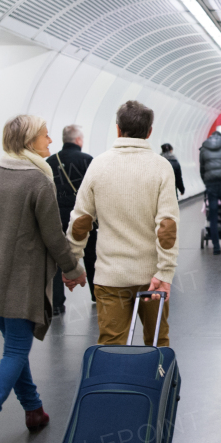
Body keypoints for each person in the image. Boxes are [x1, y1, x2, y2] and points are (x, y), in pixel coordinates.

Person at [0, 115, 85, 443]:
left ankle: (34, 411)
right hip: (22, 283)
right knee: (15, 351)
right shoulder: (39, 181)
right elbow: (53, 235)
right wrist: (72, 269)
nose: (50, 142)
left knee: (15, 348)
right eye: (44, 136)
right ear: (28, 142)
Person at [68, 100, 179, 346]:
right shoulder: (162, 167)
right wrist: (165, 272)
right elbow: (167, 226)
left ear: (117, 129)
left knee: (111, 346)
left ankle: (115, 385)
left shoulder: (99, 164)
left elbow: (81, 221)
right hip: (153, 277)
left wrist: (72, 264)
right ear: (149, 131)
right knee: (157, 343)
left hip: (110, 277)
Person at [47, 124, 96, 314]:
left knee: (58, 259)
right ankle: (96, 294)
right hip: (84, 218)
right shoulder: (88, 160)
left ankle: (57, 303)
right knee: (91, 256)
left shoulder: (50, 162)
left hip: (57, 218)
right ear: (78, 140)